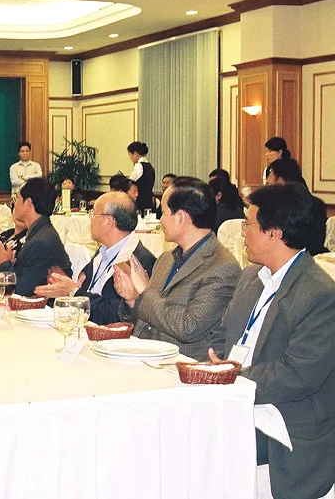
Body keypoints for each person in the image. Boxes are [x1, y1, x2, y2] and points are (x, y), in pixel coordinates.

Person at [209, 183, 335, 499]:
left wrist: (232, 377)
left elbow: (297, 375)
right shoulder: (252, 276)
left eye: (248, 224)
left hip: (283, 416)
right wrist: (215, 368)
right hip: (237, 395)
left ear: (274, 233)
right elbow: (223, 332)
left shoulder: (319, 294)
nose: (242, 234)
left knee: (203, 441)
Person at [112, 177, 241, 361]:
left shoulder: (222, 268)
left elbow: (188, 327)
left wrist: (145, 292)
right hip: (145, 356)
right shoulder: (166, 258)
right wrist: (132, 300)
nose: (161, 220)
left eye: (164, 213)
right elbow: (149, 318)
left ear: (181, 217)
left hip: (181, 366)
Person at [35, 192, 156, 325]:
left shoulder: (137, 263)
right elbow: (85, 289)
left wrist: (73, 292)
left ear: (109, 221)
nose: (90, 219)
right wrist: (67, 287)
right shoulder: (104, 251)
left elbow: (115, 315)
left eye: (93, 213)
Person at [0, 178, 71, 296]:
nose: (14, 203)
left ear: (28, 203)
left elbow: (22, 289)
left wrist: (3, 262)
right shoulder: (39, 231)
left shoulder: (41, 242)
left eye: (17, 198)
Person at [266, 158, 328, 255]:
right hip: (314, 256)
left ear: (280, 180)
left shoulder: (280, 206)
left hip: (288, 257)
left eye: (269, 185)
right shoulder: (317, 203)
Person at [127, 141, 155, 211]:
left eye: (130, 155)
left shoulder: (139, 166)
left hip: (139, 201)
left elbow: (130, 182)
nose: (130, 158)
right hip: (149, 200)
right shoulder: (150, 167)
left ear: (135, 154)